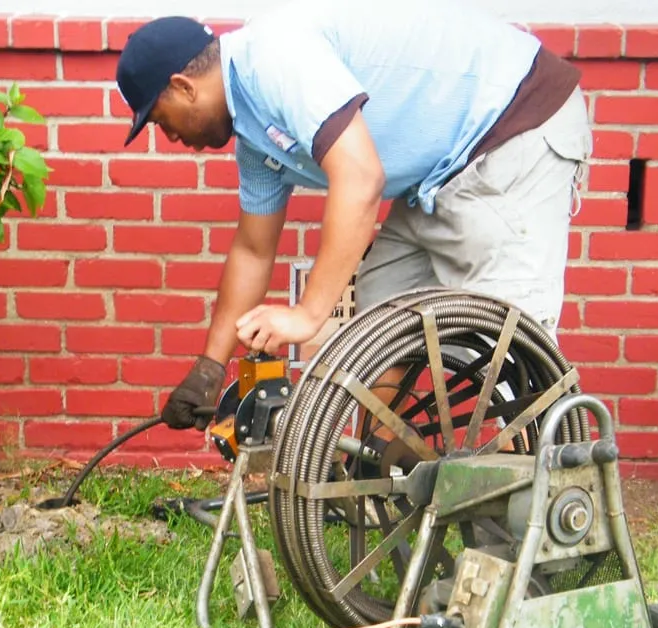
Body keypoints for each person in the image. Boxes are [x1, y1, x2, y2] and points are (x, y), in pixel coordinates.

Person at [115, 0, 593, 432]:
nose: (170, 136)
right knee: (384, 315)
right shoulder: (254, 138)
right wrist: (209, 370)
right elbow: (253, 250)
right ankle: (378, 475)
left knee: (507, 352)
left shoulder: (274, 58)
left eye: (160, 119)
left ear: (183, 87)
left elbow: (361, 179)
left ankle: (537, 493)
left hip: (512, 127)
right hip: (442, 171)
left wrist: (308, 314)